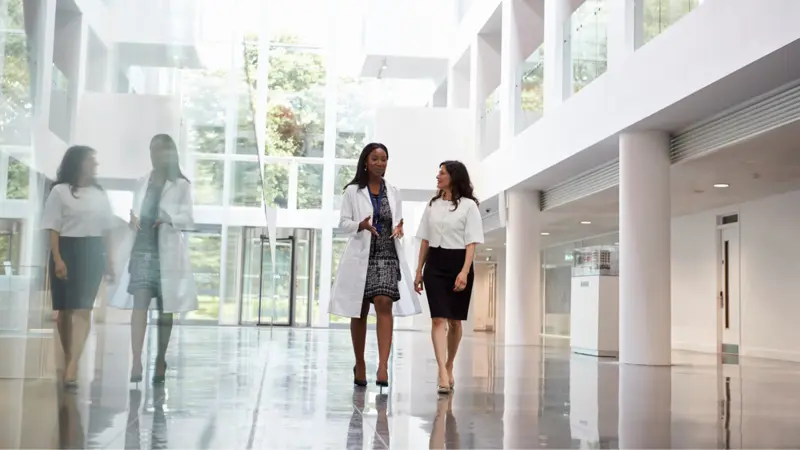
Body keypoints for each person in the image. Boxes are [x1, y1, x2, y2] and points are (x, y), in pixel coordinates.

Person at [329, 142, 421, 388]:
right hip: (362, 254)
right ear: (366, 162)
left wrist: (399, 228)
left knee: (384, 302)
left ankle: (382, 366)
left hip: (387, 253)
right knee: (359, 310)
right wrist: (360, 225)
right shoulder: (353, 191)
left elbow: (396, 221)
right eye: (375, 159)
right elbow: (343, 223)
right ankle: (360, 363)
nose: (380, 163)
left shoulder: (393, 191)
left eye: (384, 159)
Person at [109, 134, 197, 384]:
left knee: (165, 309)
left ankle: (160, 358)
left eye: (159, 151)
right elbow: (135, 211)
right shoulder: (142, 182)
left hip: (166, 252)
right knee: (140, 304)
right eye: (152, 150)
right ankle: (136, 360)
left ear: (170, 154)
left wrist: (168, 218)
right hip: (142, 249)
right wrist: (133, 219)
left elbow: (188, 219)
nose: (154, 155)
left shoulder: (181, 185)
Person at [41, 146, 115, 388]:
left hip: (92, 251)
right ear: (78, 163)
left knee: (84, 308)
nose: (95, 164)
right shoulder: (60, 191)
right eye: (91, 160)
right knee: (64, 311)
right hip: (66, 249)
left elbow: (107, 230)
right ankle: (69, 357)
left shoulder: (99, 194)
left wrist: (110, 261)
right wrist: (57, 258)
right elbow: (53, 227)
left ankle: (72, 366)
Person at [414, 160, 484, 395]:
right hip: (435, 263)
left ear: (454, 177)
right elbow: (425, 239)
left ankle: (449, 364)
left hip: (458, 262)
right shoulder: (432, 205)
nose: (438, 176)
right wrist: (418, 270)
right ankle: (442, 372)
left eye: (442, 173)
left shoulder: (469, 206)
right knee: (437, 319)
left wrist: (464, 271)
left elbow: (471, 242)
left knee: (455, 321)